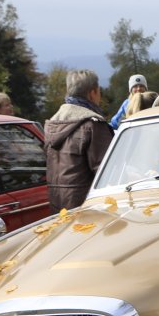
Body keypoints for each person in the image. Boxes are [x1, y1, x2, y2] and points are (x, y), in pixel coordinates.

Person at [44, 69, 113, 211]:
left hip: (58, 205)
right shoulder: (93, 125)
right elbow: (107, 172)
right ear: (93, 93)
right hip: (87, 207)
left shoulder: (53, 123)